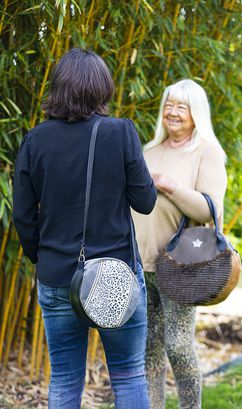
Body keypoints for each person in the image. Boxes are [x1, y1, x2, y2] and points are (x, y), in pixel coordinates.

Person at [13, 48, 157, 409]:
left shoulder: (35, 140)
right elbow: (146, 202)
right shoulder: (121, 132)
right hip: (115, 275)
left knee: (63, 379)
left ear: (59, 86)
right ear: (102, 87)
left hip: (58, 275)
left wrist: (41, 258)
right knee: (128, 375)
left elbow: (23, 216)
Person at [132, 79, 227, 409]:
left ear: (196, 113)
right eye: (169, 104)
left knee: (178, 344)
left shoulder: (206, 152)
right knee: (150, 346)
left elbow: (210, 208)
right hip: (141, 263)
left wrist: (169, 185)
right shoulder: (148, 151)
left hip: (180, 265)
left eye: (181, 106)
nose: (172, 112)